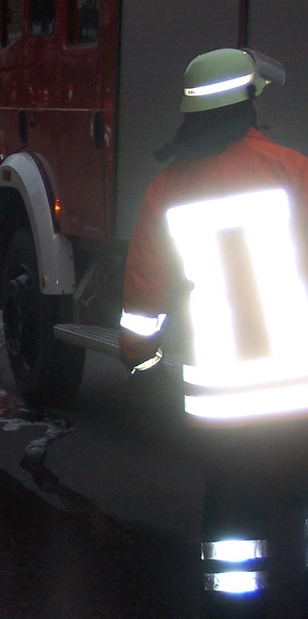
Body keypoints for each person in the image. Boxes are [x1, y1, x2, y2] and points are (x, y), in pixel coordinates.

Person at [118, 47, 308, 608]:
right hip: (301, 386)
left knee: (231, 503)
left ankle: (234, 601)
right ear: (247, 104)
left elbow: (143, 298)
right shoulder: (294, 170)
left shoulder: (167, 189)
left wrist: (142, 363)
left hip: (221, 397)